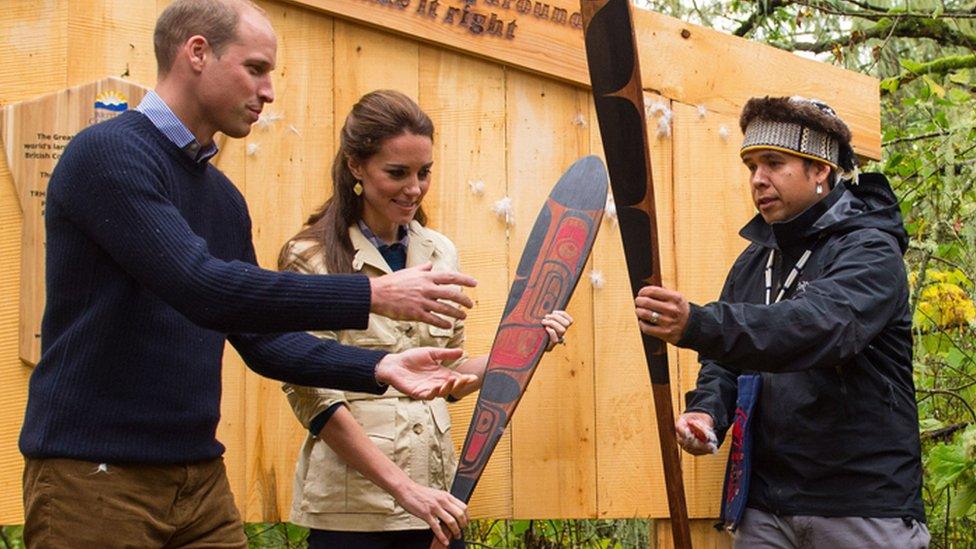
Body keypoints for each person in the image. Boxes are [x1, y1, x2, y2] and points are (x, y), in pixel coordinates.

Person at [19, 2, 480, 547]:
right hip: (93, 475)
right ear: (197, 53)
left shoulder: (222, 197)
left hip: (197, 477)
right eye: (256, 69)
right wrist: (372, 293)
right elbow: (200, 286)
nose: (268, 91)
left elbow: (260, 338)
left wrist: (379, 364)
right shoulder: (109, 156)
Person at [278, 89, 573, 549]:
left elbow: (447, 376)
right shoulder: (309, 258)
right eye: (397, 173)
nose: (414, 188)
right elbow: (312, 396)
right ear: (356, 165)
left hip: (436, 503)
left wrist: (526, 345)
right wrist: (405, 490)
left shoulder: (440, 252)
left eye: (424, 172)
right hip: (353, 515)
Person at [634, 96, 929, 548]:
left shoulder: (870, 250)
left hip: (862, 504)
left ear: (820, 169)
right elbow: (728, 362)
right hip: (764, 508)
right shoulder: (754, 262)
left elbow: (818, 328)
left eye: (773, 162)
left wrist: (698, 324)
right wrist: (708, 411)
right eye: (751, 165)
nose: (757, 179)